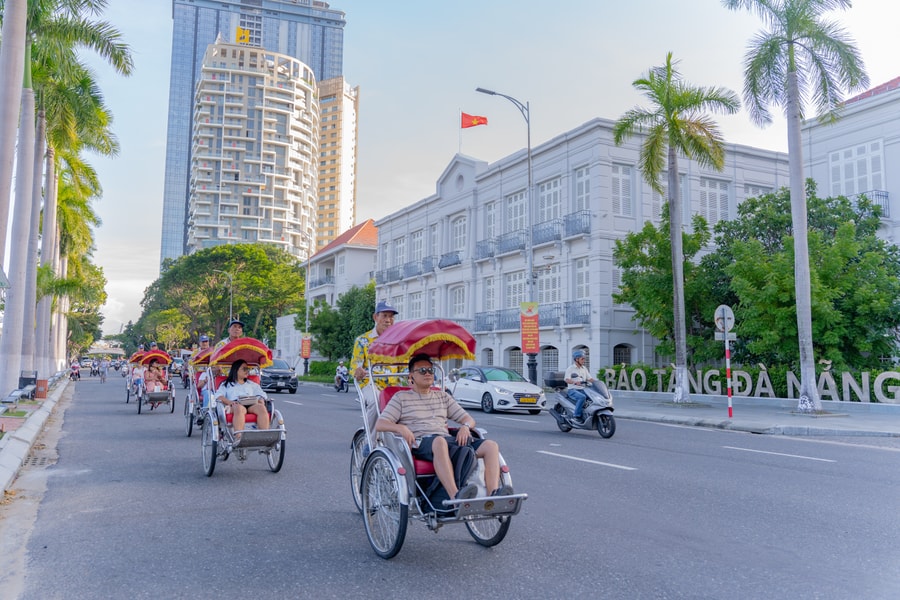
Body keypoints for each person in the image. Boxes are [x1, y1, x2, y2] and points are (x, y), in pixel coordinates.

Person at [375, 353, 513, 501]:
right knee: (440, 441)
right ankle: (455, 497)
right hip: (421, 442)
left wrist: (465, 427)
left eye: (430, 370)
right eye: (422, 370)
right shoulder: (401, 397)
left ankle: (493, 495)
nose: (427, 373)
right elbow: (380, 424)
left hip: (446, 440)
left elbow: (468, 419)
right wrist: (401, 428)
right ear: (411, 376)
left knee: (491, 446)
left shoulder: (443, 396)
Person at [214, 358, 270, 439]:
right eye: (244, 369)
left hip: (251, 403)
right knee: (239, 409)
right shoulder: (226, 384)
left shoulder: (251, 384)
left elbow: (262, 394)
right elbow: (219, 396)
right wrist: (229, 402)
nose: (247, 371)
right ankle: (239, 437)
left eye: (247, 369)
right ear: (236, 370)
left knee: (261, 408)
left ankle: (264, 437)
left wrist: (261, 399)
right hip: (236, 404)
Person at [351, 301, 400, 388]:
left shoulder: (398, 341)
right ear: (375, 317)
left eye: (391, 316)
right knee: (377, 400)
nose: (388, 320)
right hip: (371, 386)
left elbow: (405, 367)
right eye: (384, 316)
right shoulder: (362, 340)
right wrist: (358, 372)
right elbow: (355, 367)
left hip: (394, 387)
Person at [564, 349, 595, 422]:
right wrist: (575, 382)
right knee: (582, 397)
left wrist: (598, 383)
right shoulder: (570, 368)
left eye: (584, 358)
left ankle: (588, 414)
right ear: (577, 359)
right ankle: (576, 416)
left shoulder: (584, 368)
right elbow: (566, 379)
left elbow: (589, 378)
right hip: (573, 390)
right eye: (582, 359)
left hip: (583, 389)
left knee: (593, 397)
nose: (584, 360)